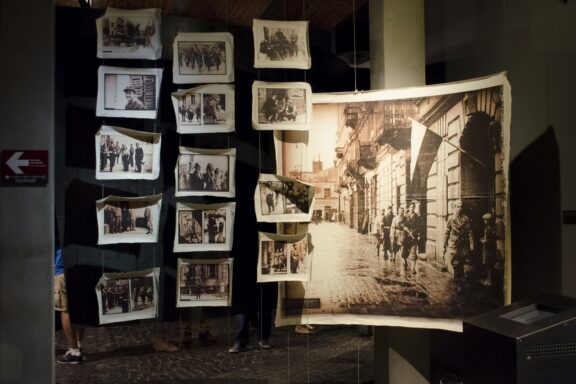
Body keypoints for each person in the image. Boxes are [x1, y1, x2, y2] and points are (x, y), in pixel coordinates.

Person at [55, 241, 84, 364]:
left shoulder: (53, 224)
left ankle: (74, 352)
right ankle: (78, 343)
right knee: (79, 307)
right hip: (80, 267)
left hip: (61, 271)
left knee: (65, 310)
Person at [443, 199, 474, 287]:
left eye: (461, 207)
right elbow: (447, 232)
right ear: (455, 208)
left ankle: (461, 283)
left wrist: (472, 244)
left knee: (463, 262)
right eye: (458, 207)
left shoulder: (466, 218)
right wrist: (444, 244)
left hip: (463, 244)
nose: (460, 208)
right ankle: (458, 282)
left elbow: (470, 232)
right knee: (455, 264)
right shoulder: (451, 219)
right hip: (454, 245)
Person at [401, 201, 422, 273]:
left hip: (414, 237)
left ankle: (413, 268)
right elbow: (401, 224)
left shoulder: (417, 217)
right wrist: (404, 227)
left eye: (413, 207)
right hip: (406, 237)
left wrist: (416, 233)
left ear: (414, 208)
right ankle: (405, 263)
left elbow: (419, 227)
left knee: (413, 253)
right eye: (411, 207)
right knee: (404, 253)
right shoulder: (405, 216)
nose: (412, 209)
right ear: (409, 208)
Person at [480, 212, 496, 286]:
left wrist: (483, 241)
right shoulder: (488, 228)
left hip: (489, 249)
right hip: (487, 249)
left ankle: (489, 280)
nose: (484, 221)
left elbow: (491, 240)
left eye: (485, 220)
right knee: (488, 265)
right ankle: (488, 279)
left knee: (489, 265)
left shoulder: (490, 228)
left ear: (489, 221)